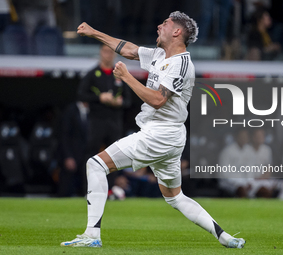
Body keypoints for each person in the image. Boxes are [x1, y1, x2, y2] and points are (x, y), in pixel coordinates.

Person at [61, 11, 245, 249]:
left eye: (165, 23)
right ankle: (224, 236)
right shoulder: (160, 54)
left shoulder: (182, 64)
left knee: (95, 164)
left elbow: (158, 100)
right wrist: (94, 32)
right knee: (175, 197)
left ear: (177, 32)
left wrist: (127, 77)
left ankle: (91, 235)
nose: (159, 26)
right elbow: (128, 50)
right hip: (168, 136)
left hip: (161, 134)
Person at [78, 44, 132, 158]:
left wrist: (120, 103)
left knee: (115, 156)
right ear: (100, 52)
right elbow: (81, 95)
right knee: (91, 154)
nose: (108, 55)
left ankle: (112, 177)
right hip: (96, 122)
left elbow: (128, 100)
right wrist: (99, 98)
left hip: (115, 122)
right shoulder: (92, 74)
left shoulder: (120, 75)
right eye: (105, 51)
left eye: (111, 52)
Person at [57, 101, 89, 197]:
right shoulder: (70, 110)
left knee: (86, 187)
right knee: (66, 187)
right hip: (72, 154)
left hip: (86, 155)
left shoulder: (93, 112)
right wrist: (68, 156)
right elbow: (64, 135)